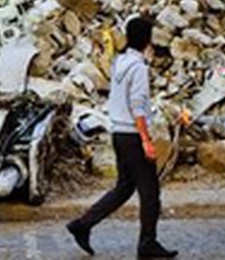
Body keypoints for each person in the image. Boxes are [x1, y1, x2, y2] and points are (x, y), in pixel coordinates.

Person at [67, 17, 176, 258]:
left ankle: (82, 225)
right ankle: (147, 243)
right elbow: (137, 106)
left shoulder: (120, 61)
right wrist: (147, 140)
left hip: (118, 133)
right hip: (133, 136)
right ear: (147, 39)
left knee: (125, 187)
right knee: (150, 192)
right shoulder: (138, 68)